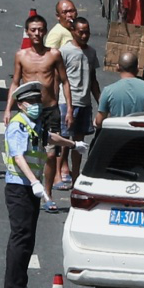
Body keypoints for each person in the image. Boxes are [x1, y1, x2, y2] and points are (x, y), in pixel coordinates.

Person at [5, 14, 71, 208]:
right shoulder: (21, 56)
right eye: (33, 30)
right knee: (28, 152)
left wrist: (69, 109)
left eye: (40, 29)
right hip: (29, 111)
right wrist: (8, 109)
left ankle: (48, 194)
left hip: (50, 109)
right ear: (27, 32)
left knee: (51, 154)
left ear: (45, 31)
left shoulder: (54, 54)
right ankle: (32, 185)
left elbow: (65, 82)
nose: (37, 33)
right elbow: (15, 83)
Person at [3, 81, 50, 288]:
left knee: (27, 238)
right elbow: (18, 156)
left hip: (29, 188)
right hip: (19, 187)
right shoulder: (18, 124)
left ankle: (19, 286)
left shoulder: (34, 124)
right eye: (31, 102)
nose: (36, 105)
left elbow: (47, 141)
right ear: (21, 104)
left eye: (38, 101)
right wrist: (34, 182)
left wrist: (72, 143)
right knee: (21, 238)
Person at [57, 16, 99, 188]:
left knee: (79, 144)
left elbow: (93, 80)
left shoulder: (91, 52)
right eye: (81, 32)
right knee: (63, 141)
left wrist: (101, 102)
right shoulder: (65, 51)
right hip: (67, 103)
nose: (84, 35)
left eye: (87, 32)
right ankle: (57, 175)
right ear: (73, 31)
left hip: (85, 103)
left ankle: (75, 178)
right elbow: (59, 79)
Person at [94, 51, 144, 128]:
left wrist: (95, 122)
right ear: (137, 68)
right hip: (142, 137)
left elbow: (99, 122)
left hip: (118, 136)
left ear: (117, 67)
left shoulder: (108, 91)